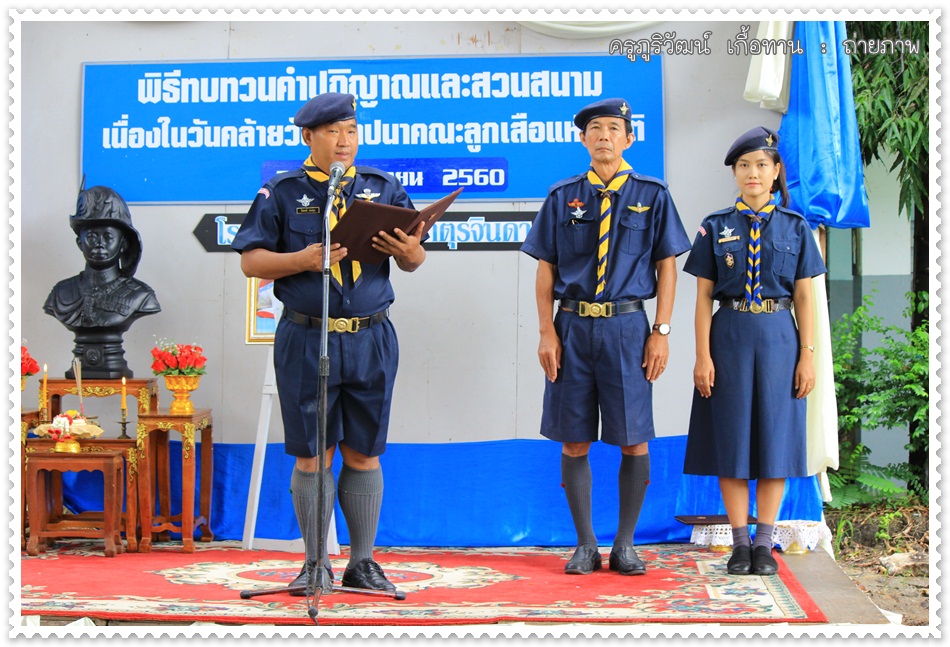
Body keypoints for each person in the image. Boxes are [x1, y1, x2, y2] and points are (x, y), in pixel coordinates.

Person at [232, 92, 426, 593]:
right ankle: (315, 563)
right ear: (309, 136)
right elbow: (251, 262)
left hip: (370, 338)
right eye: (333, 131)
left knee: (364, 452)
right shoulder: (281, 191)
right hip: (306, 336)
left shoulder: (383, 188)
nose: (344, 141)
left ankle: (362, 563)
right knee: (312, 454)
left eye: (352, 131)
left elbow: (413, 260)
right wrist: (303, 260)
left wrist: (409, 250)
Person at [521, 98, 691, 575]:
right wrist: (546, 331)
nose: (603, 136)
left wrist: (661, 331)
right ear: (582, 139)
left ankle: (625, 544)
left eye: (614, 129)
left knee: (633, 438)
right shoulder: (563, 196)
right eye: (595, 129)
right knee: (573, 439)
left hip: (627, 328)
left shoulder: (652, 195)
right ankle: (585, 544)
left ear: (629, 138)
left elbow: (667, 266)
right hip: (572, 326)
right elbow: (546, 268)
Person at [682, 127, 827, 576]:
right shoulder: (716, 226)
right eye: (744, 165)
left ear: (776, 170)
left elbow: (804, 298)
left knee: (774, 443)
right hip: (729, 335)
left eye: (762, 165)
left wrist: (808, 355)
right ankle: (740, 543)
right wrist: (702, 356)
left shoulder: (796, 227)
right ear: (735, 173)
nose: (753, 173)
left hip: (780, 338)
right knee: (731, 442)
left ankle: (764, 542)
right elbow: (703, 298)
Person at [44, 186, 161, 377]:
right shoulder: (61, 293)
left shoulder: (141, 296)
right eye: (91, 236)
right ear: (79, 243)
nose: (99, 244)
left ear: (123, 244)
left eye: (108, 237)